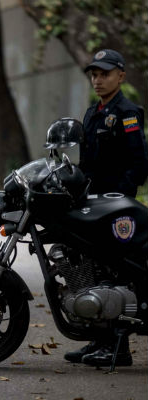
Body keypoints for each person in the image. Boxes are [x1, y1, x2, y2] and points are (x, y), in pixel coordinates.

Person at [64, 49, 148, 368]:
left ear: (121, 76)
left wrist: (120, 199)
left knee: (115, 273)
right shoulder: (92, 113)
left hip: (115, 208)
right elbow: (87, 164)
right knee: (93, 271)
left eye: (105, 74)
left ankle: (117, 348)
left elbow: (139, 164)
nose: (98, 80)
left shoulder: (127, 112)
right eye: (94, 75)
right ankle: (97, 341)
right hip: (93, 204)